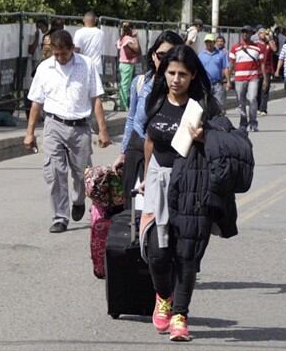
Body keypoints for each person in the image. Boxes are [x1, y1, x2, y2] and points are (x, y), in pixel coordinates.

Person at [141, 45, 250, 342]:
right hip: (158, 182)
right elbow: (149, 140)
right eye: (171, 73)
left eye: (183, 74)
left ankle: (180, 315)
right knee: (158, 253)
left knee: (186, 254)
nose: (176, 79)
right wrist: (143, 177)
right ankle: (163, 295)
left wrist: (207, 135)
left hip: (193, 182)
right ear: (164, 73)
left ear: (192, 76)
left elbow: (228, 138)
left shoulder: (204, 104)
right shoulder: (155, 100)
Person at [24, 30, 111, 233]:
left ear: (72, 48)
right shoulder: (44, 69)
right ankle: (60, 217)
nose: (60, 58)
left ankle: (78, 199)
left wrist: (103, 130)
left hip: (80, 126)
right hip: (54, 124)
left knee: (82, 174)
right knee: (54, 173)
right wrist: (29, 133)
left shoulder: (86, 65)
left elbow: (96, 98)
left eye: (64, 53)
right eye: (56, 54)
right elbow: (36, 103)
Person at [112, 31, 185, 200]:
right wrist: (123, 153)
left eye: (172, 56)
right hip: (136, 150)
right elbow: (131, 119)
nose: (166, 61)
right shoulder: (140, 82)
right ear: (153, 56)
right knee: (134, 210)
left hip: (166, 156)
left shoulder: (181, 88)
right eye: (161, 55)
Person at [228, 26, 267, 132]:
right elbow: (231, 65)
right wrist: (227, 80)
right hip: (239, 78)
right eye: (243, 32)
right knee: (241, 101)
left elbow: (262, 65)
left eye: (247, 32)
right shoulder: (235, 48)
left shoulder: (257, 48)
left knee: (252, 98)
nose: (245, 34)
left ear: (251, 34)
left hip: (253, 77)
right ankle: (243, 122)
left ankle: (253, 122)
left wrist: (265, 79)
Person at [198, 33, 229, 110]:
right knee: (204, 105)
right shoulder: (201, 55)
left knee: (219, 105)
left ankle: (218, 120)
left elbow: (225, 68)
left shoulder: (221, 54)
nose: (209, 43)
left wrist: (228, 81)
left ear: (214, 42)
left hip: (217, 84)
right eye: (207, 42)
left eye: (210, 41)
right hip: (205, 84)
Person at [116, 23, 141, 111]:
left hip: (123, 63)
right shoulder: (128, 39)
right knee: (125, 85)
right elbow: (136, 48)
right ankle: (123, 105)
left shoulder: (122, 38)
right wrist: (135, 37)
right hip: (127, 64)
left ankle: (122, 103)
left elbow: (117, 45)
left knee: (124, 84)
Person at [255, 27, 277, 116]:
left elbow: (275, 49)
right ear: (258, 35)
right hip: (257, 70)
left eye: (265, 33)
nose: (263, 35)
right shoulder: (256, 45)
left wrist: (270, 39)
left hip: (267, 70)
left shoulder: (269, 44)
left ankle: (263, 109)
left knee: (265, 89)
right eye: (261, 33)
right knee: (256, 90)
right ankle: (257, 107)